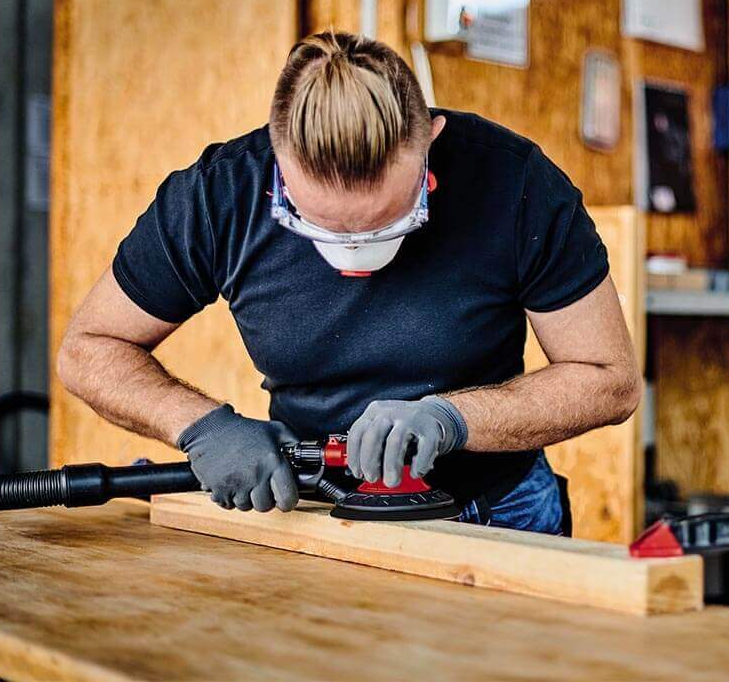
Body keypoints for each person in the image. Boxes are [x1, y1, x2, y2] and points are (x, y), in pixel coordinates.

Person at [57, 32, 640, 535]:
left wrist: (453, 419)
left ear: (430, 139)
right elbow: (90, 349)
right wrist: (200, 426)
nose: (353, 258)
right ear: (278, 159)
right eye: (319, 226)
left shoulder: (514, 184)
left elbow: (608, 378)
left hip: (496, 508)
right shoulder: (220, 195)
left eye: (389, 222)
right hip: (311, 513)